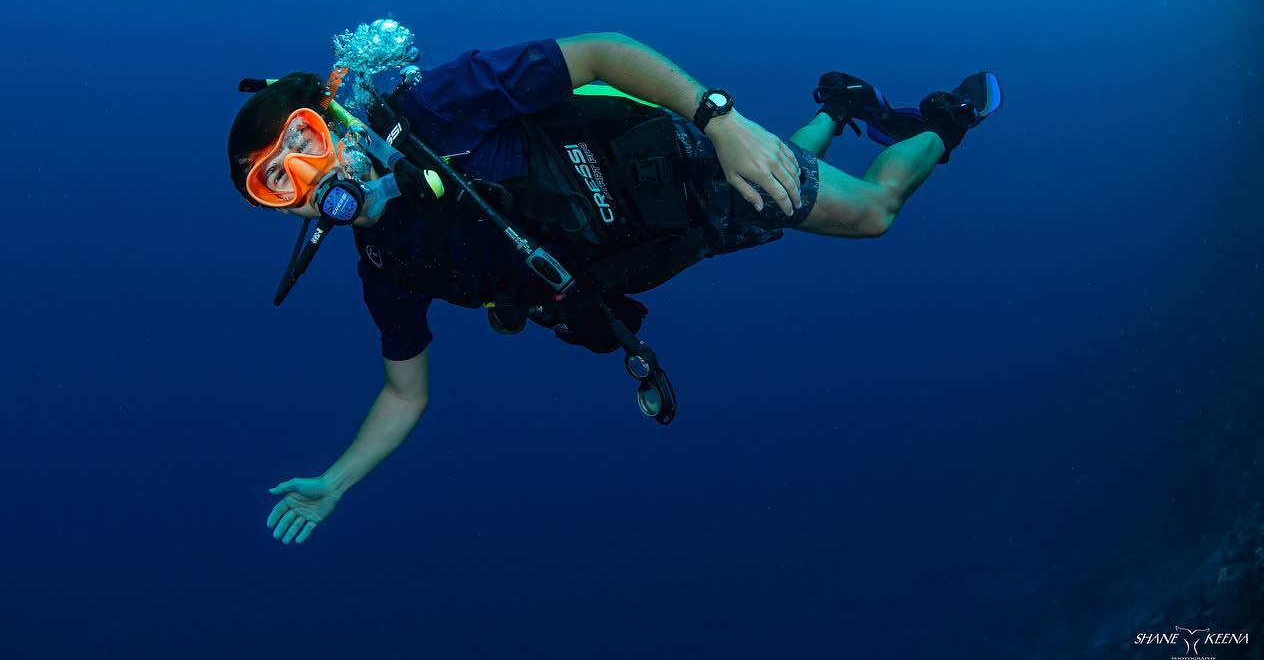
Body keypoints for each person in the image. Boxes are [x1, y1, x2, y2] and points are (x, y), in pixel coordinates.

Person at [226, 32, 1001, 544]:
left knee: (870, 213)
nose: (307, 174)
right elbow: (404, 394)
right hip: (651, 245)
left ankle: (949, 116)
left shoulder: (438, 107)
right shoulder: (387, 266)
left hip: (678, 164)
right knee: (778, 199)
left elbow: (597, 54)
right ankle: (839, 107)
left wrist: (721, 120)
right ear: (282, 209)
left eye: (304, 140)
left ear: (332, 118)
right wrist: (337, 480)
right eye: (276, 181)